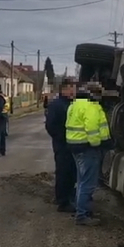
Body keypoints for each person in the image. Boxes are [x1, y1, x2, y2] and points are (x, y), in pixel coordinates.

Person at [65, 81, 110, 226]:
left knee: (81, 181)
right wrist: (99, 144)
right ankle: (82, 215)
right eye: (99, 93)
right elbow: (92, 129)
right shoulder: (90, 106)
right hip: (88, 148)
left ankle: (82, 211)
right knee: (88, 184)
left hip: (75, 146)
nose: (100, 97)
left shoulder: (75, 104)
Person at [45, 78, 78, 213]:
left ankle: (70, 196)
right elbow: (51, 126)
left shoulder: (72, 104)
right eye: (72, 88)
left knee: (72, 172)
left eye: (75, 88)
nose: (74, 91)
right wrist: (63, 138)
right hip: (63, 145)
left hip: (73, 144)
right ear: (64, 89)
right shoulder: (57, 105)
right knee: (63, 172)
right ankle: (62, 202)